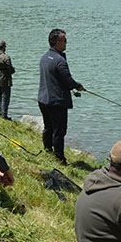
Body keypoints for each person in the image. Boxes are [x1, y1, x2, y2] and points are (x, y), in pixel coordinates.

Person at [37, 28, 84, 164]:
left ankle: (47, 150)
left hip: (43, 99)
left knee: (48, 127)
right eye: (65, 41)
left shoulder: (45, 57)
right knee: (59, 131)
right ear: (57, 42)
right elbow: (68, 81)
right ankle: (59, 159)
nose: (66, 43)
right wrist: (77, 86)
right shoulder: (59, 61)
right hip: (56, 102)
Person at [0, 40, 15, 120]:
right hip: (5, 80)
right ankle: (4, 116)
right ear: (4, 47)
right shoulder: (5, 57)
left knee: (0, 97)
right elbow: (10, 69)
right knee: (5, 98)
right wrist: (13, 70)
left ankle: (0, 114)